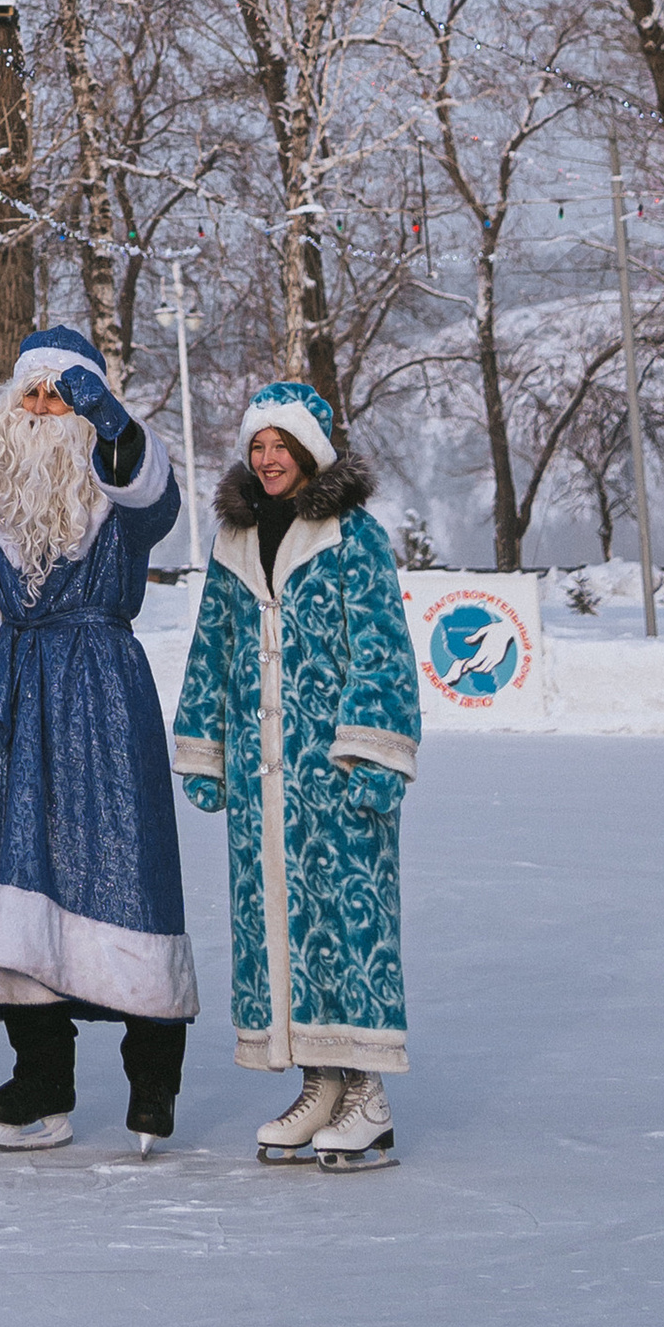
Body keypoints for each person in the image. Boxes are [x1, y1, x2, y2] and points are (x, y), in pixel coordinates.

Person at [0, 323, 199, 1157]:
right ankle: (42, 1076)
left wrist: (105, 413)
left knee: (127, 869)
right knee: (17, 878)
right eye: (32, 394)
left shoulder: (119, 500)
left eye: (60, 396)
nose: (43, 410)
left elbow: (155, 493)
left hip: (104, 694)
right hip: (13, 703)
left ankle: (153, 1077)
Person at [173, 379, 419, 1171]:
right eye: (259, 445)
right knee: (278, 926)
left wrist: (373, 756)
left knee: (348, 925)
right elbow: (212, 645)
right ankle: (320, 1084)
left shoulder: (355, 536)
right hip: (262, 777)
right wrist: (205, 746)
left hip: (335, 772)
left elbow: (382, 649)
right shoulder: (235, 539)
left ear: (310, 450)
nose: (269, 458)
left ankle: (368, 1097)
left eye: (281, 444)